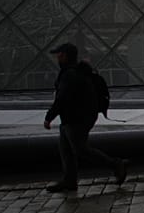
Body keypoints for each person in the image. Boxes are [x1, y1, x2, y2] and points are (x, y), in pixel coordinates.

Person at [43, 42, 128, 192]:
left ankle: (115, 164)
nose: (57, 57)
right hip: (78, 116)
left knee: (80, 149)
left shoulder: (69, 74)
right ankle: (69, 181)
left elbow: (62, 98)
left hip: (76, 117)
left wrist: (49, 117)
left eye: (60, 54)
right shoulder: (78, 71)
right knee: (66, 149)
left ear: (65, 56)